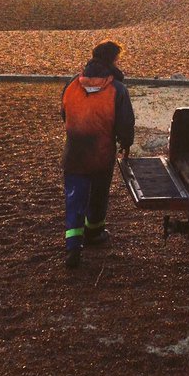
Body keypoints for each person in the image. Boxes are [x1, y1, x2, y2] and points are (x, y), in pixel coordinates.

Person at [61, 39, 135, 269]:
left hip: (74, 152)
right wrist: (126, 143)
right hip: (101, 152)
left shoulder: (72, 84)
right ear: (113, 60)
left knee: (75, 197)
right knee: (98, 194)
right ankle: (94, 233)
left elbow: (64, 113)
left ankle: (74, 245)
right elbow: (125, 123)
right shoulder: (117, 89)